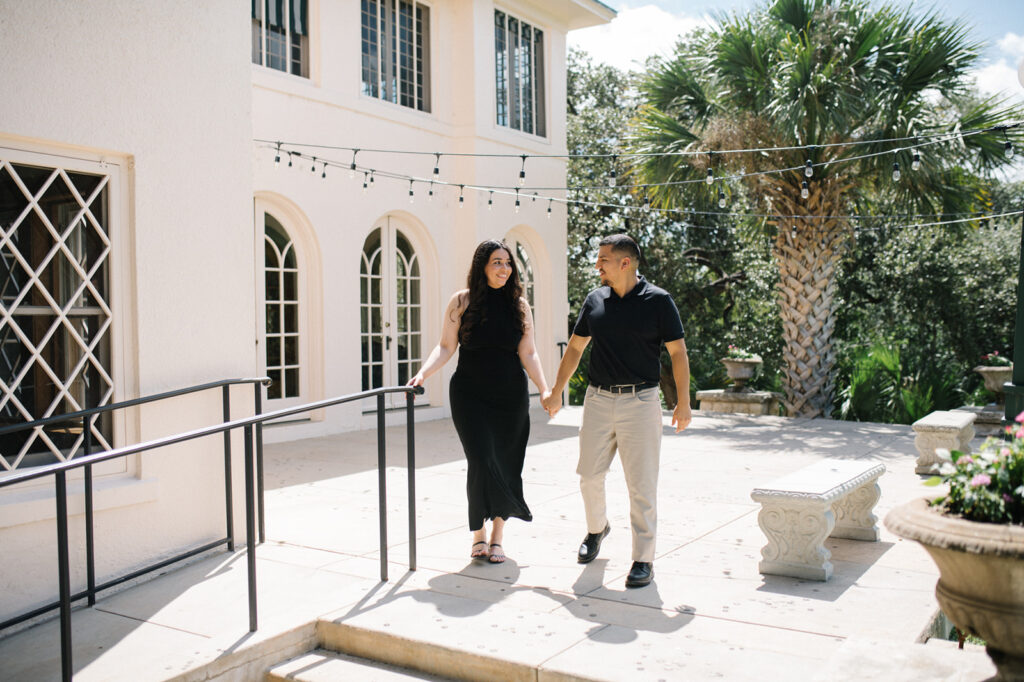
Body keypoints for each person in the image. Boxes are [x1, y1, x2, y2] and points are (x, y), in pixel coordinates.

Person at [542, 234, 691, 588]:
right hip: (597, 400)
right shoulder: (595, 300)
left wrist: (683, 402)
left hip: (640, 403)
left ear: (625, 263)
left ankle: (643, 558)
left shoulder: (658, 301)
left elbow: (678, 353)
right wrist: (555, 391)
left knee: (641, 485)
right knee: (588, 475)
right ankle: (598, 529)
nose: (597, 266)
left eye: (603, 260)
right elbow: (576, 349)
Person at [409, 240, 552, 564]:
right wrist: (422, 374)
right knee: (481, 459)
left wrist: (544, 389)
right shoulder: (462, 302)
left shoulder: (520, 306)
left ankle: (498, 537)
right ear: (482, 267)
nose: (504, 269)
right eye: (496, 262)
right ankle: (478, 533)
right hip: (469, 394)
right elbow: (445, 347)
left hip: (510, 397)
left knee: (505, 462)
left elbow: (528, 352)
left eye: (507, 263)